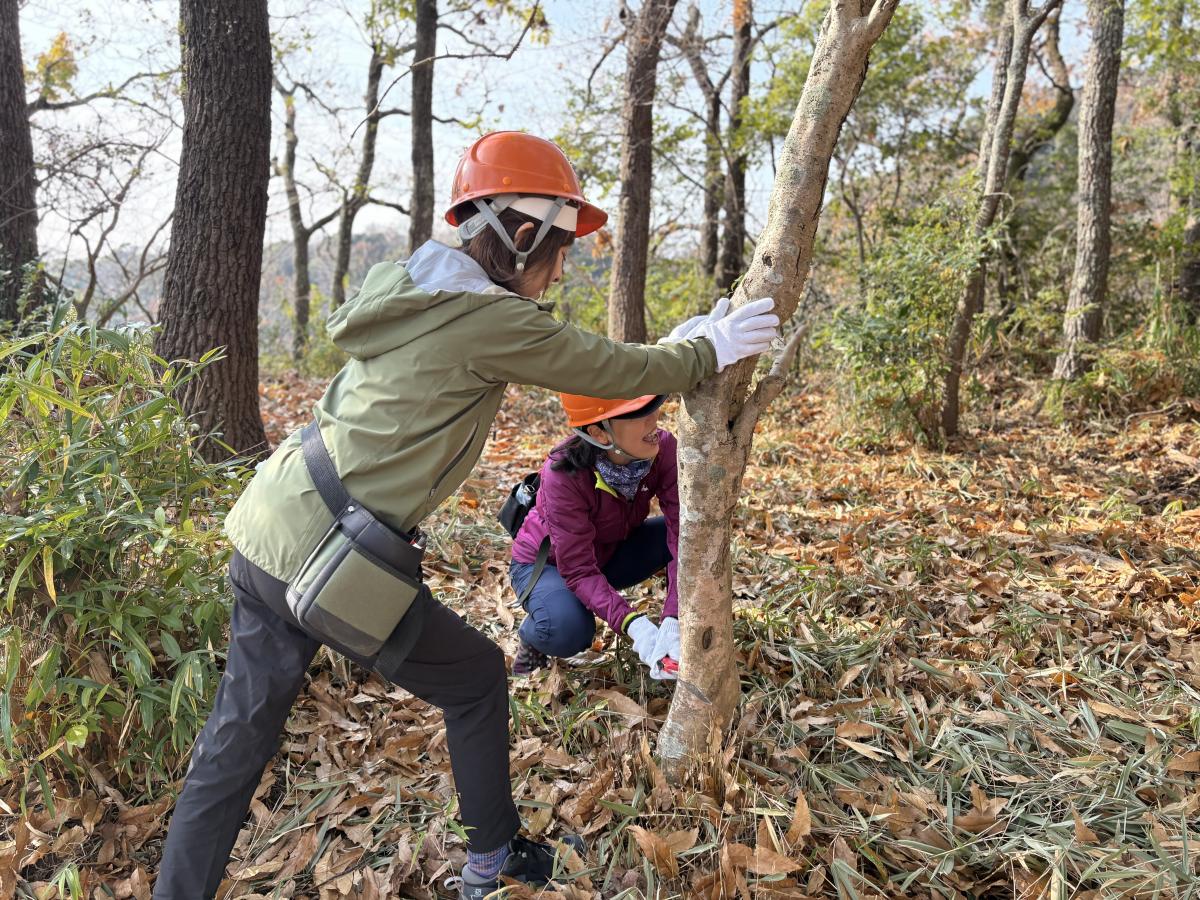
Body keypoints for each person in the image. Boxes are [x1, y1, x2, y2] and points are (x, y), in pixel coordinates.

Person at [150, 131, 778, 900]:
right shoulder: (485, 317)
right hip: (331, 555)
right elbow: (607, 369)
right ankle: (492, 861)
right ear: (520, 235)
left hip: (271, 522)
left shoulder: (410, 288)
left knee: (231, 747)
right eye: (558, 251)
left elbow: (608, 368)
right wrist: (700, 353)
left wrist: (680, 346)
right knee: (479, 676)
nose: (558, 271)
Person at [509, 392, 684, 681]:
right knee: (568, 630)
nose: (654, 419)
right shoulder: (563, 475)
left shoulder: (663, 448)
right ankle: (533, 634)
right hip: (548, 566)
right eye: (638, 414)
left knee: (690, 536)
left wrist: (674, 617)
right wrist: (633, 624)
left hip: (610, 551)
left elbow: (682, 534)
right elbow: (578, 569)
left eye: (652, 409)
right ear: (598, 433)